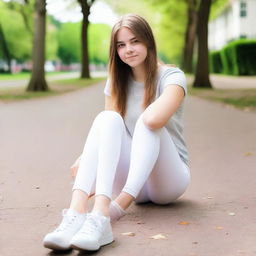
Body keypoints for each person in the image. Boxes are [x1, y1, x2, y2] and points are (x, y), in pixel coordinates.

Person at [43, 13, 190, 251]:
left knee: (147, 122)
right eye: (121, 45)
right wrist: (85, 158)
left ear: (148, 42)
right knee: (107, 118)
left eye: (135, 41)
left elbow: (154, 119)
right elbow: (107, 130)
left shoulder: (173, 77)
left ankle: (116, 208)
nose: (128, 50)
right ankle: (79, 215)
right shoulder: (116, 80)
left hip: (168, 180)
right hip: (133, 177)